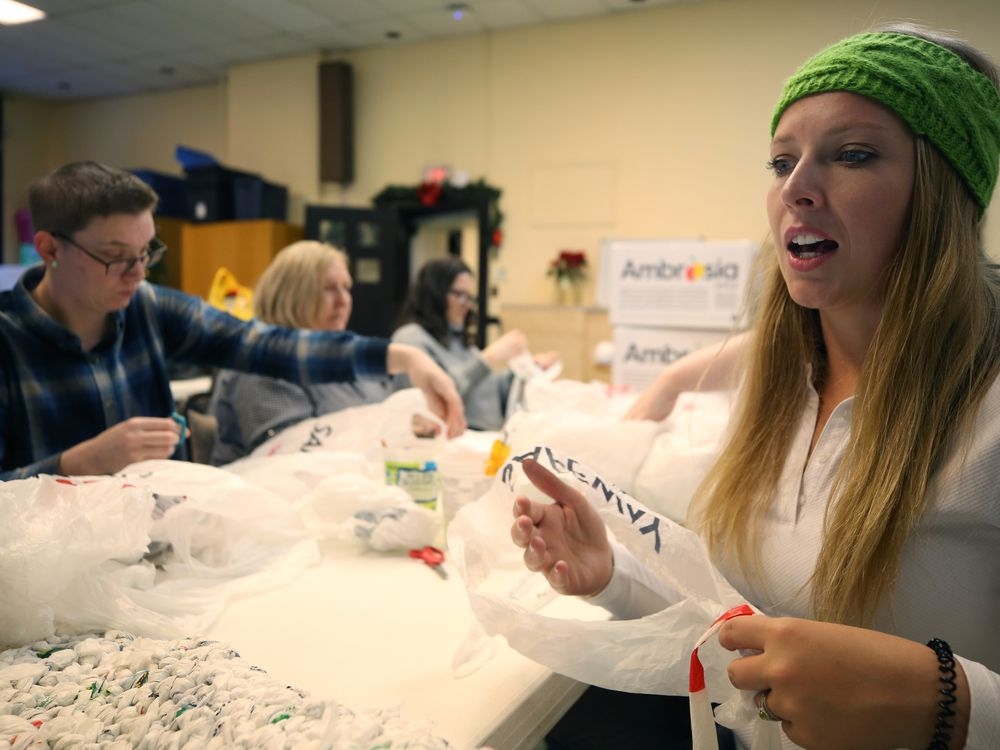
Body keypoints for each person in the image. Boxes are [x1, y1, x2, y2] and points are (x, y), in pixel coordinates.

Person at [512, 23, 1000, 750]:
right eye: (780, 162)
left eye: (853, 155)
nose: (796, 189)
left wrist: (954, 704)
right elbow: (742, 625)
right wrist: (612, 575)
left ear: (940, 191)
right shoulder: (781, 390)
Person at [0, 161, 465, 481]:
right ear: (49, 248)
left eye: (146, 253)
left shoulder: (148, 307)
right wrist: (74, 465)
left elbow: (268, 346)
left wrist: (403, 356)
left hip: (158, 555)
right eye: (116, 257)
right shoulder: (9, 342)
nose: (139, 273)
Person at [209, 240, 400, 465]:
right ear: (291, 295)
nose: (343, 301)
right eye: (328, 289)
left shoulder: (347, 353)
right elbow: (292, 460)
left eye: (346, 288)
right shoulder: (260, 364)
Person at [392, 256, 559, 431]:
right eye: (460, 295)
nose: (467, 305)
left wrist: (524, 371)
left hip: (485, 439)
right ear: (435, 294)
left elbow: (489, 392)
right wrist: (489, 358)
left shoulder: (458, 340)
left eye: (469, 297)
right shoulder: (410, 339)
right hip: (454, 441)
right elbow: (436, 398)